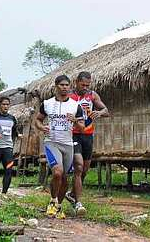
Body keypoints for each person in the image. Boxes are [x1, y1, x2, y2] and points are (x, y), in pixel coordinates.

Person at [35, 75, 84, 219]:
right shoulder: (47, 103)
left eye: (67, 85)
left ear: (70, 87)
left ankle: (58, 206)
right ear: (56, 86)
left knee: (64, 178)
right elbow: (38, 120)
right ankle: (52, 201)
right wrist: (41, 127)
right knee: (57, 172)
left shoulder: (75, 105)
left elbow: (82, 127)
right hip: (51, 142)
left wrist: (74, 120)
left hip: (67, 144)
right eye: (62, 85)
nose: (64, 87)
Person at [66, 71, 109, 215]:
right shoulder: (70, 96)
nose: (85, 87)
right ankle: (78, 203)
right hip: (73, 134)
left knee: (84, 170)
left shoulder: (92, 95)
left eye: (87, 85)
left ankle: (72, 194)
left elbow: (106, 110)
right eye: (82, 84)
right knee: (78, 166)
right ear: (76, 82)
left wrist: (100, 113)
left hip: (88, 135)